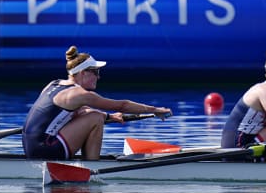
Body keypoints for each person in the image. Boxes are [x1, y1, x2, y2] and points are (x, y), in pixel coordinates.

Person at [22, 45, 173, 160]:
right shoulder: (80, 94)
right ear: (83, 73)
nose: (98, 77)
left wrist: (110, 117)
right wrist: (155, 109)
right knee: (95, 119)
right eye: (96, 72)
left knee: (96, 115)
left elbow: (78, 112)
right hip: (46, 149)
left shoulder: (53, 84)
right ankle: (91, 167)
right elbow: (122, 105)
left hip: (31, 147)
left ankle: (88, 163)